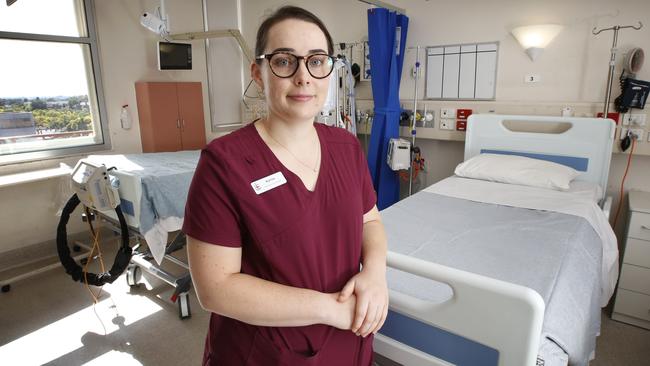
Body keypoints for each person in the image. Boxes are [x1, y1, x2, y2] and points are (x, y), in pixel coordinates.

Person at [183, 6, 388, 365]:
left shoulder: (346, 148)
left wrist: (374, 272)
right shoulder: (223, 164)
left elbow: (369, 220)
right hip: (265, 352)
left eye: (316, 60)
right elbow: (216, 289)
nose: (303, 77)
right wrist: (329, 309)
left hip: (348, 341)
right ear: (259, 74)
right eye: (283, 61)